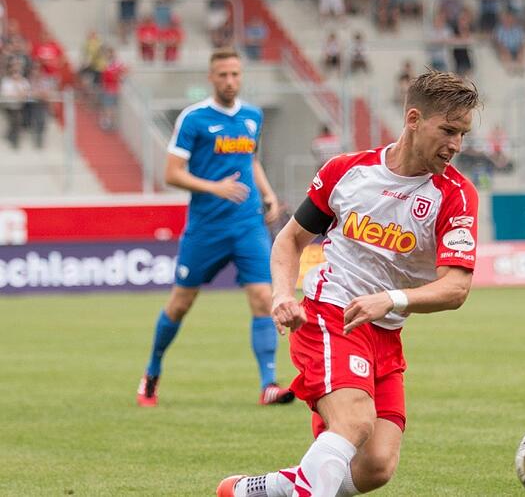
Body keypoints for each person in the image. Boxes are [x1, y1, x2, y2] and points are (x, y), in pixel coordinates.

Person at [216, 70, 481, 497]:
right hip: (329, 314)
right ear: (414, 119)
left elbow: (456, 289)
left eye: (463, 134)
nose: (456, 145)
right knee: (354, 422)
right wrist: (283, 293)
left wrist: (390, 301)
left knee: (376, 466)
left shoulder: (456, 195)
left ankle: (254, 491)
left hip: (385, 333)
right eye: (448, 130)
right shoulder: (347, 171)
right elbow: (290, 240)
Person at [136, 48, 293, 408]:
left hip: (247, 223)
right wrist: (215, 187)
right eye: (223, 75)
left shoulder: (252, 116)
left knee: (262, 298)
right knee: (180, 303)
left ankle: (268, 384)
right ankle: (152, 372)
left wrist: (268, 195)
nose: (230, 81)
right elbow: (171, 173)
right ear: (211, 77)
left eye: (235, 74)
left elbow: (250, 160)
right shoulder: (194, 119)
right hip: (206, 227)